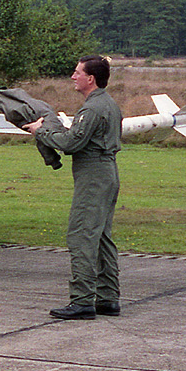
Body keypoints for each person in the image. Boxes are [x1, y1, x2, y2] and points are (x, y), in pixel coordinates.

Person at [23, 56, 121, 320]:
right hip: (107, 173)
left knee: (81, 236)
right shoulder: (108, 104)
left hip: (93, 177)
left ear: (91, 78)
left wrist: (40, 132)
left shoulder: (92, 109)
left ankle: (82, 301)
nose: (72, 76)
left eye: (77, 73)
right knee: (101, 237)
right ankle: (108, 298)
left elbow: (70, 143)